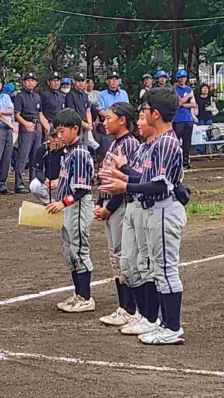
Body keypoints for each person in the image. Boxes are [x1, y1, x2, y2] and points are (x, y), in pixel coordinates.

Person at [100, 87, 187, 345]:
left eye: (145, 110)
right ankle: (159, 321)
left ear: (156, 114)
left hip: (162, 208)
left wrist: (124, 185)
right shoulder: (159, 142)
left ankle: (172, 327)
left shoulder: (168, 142)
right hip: (152, 208)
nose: (142, 115)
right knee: (152, 267)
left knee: (164, 269)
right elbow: (148, 178)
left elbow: (160, 186)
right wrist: (124, 175)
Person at [107, 108, 160, 337]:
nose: (140, 122)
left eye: (142, 117)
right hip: (130, 206)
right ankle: (140, 314)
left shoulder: (139, 145)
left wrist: (123, 178)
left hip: (140, 206)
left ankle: (147, 315)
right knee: (128, 262)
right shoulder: (143, 147)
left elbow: (152, 182)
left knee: (145, 263)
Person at [94, 103, 140, 327]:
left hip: (120, 207)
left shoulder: (129, 144)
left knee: (123, 256)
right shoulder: (115, 143)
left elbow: (124, 183)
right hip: (110, 206)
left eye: (108, 118)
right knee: (116, 256)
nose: (104, 122)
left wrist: (108, 207)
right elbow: (105, 178)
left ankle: (130, 308)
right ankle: (124, 306)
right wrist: (99, 203)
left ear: (122, 120)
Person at [46, 108, 95, 313]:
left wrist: (62, 203)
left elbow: (82, 190)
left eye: (61, 131)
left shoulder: (81, 153)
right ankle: (78, 294)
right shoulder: (69, 153)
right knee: (70, 252)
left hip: (78, 207)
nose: (59, 136)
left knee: (80, 250)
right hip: (69, 207)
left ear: (75, 129)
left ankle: (86, 297)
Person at [14, 72, 43, 194]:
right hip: (26, 125)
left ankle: (33, 182)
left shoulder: (37, 96)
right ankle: (19, 184)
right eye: (28, 80)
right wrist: (25, 123)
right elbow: (17, 115)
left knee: (35, 156)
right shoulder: (20, 96)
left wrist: (44, 126)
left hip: (38, 125)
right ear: (24, 82)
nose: (30, 83)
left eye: (32, 80)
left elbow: (40, 113)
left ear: (36, 83)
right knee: (23, 156)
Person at [96, 71, 130, 159]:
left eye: (116, 79)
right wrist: (111, 117)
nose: (114, 81)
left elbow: (127, 109)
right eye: (111, 79)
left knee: (124, 150)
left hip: (122, 126)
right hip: (109, 125)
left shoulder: (124, 93)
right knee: (107, 152)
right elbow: (100, 110)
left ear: (119, 81)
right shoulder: (102, 94)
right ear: (107, 81)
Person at [29, 126, 64, 205]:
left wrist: (59, 180)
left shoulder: (67, 149)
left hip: (62, 181)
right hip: (48, 181)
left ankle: (62, 203)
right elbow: (38, 171)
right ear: (49, 137)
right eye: (53, 137)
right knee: (34, 186)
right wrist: (45, 180)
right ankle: (50, 202)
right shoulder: (42, 149)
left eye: (57, 137)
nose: (55, 140)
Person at [65, 72, 100, 151]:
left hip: (85, 126)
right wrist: (83, 124)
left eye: (83, 81)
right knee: (76, 148)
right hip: (75, 126)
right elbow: (72, 113)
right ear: (74, 81)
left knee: (85, 148)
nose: (81, 83)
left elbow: (88, 111)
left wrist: (89, 124)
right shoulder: (70, 95)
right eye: (78, 81)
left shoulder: (85, 95)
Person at [173, 69, 196, 169]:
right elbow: (177, 103)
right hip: (178, 119)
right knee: (176, 142)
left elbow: (194, 104)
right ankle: (175, 162)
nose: (182, 79)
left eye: (184, 77)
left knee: (187, 142)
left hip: (188, 119)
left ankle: (186, 162)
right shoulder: (174, 89)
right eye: (180, 77)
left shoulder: (189, 89)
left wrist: (184, 103)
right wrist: (188, 97)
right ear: (177, 79)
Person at [194, 83, 218, 155]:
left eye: (206, 88)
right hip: (200, 119)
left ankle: (210, 152)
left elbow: (216, 110)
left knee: (209, 135)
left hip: (209, 119)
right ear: (201, 90)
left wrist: (210, 109)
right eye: (203, 88)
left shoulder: (210, 99)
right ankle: (199, 152)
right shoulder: (197, 99)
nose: (205, 90)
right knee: (199, 136)